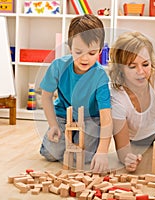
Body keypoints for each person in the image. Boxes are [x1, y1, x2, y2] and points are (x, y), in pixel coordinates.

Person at [39, 14, 113, 173]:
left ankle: (74, 141)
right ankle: (66, 139)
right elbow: (46, 96)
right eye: (79, 52)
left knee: (85, 158)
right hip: (62, 114)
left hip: (90, 118)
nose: (85, 58)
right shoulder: (58, 66)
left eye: (92, 53)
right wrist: (53, 125)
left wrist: (102, 152)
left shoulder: (100, 77)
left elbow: (106, 118)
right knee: (50, 154)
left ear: (100, 50)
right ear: (70, 47)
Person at [108, 32, 155, 172]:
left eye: (145, 64)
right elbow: (123, 147)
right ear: (120, 69)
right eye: (132, 66)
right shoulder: (116, 97)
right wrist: (128, 158)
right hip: (136, 139)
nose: (141, 71)